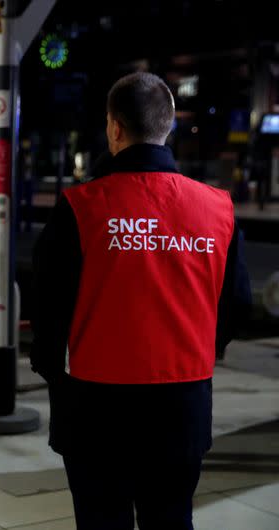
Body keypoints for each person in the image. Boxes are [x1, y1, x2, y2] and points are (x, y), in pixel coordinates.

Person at [31, 72, 252, 530]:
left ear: (114, 128)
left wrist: (55, 373)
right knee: (171, 519)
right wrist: (199, 352)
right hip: (183, 403)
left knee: (102, 521)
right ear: (167, 126)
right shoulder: (217, 208)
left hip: (95, 408)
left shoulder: (80, 207)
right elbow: (236, 307)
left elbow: (47, 306)